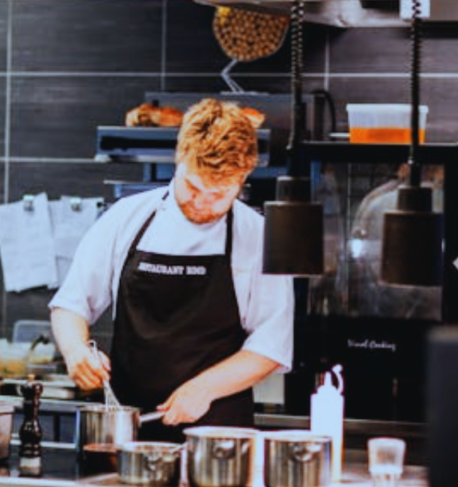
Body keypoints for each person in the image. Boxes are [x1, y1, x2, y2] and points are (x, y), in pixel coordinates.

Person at [48, 98, 294, 442]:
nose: (203, 203)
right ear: (179, 160)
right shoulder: (126, 218)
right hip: (128, 431)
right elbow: (71, 304)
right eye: (193, 187)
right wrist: (75, 351)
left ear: (243, 178)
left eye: (219, 193)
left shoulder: (257, 237)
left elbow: (271, 346)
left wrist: (205, 388)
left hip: (217, 440)